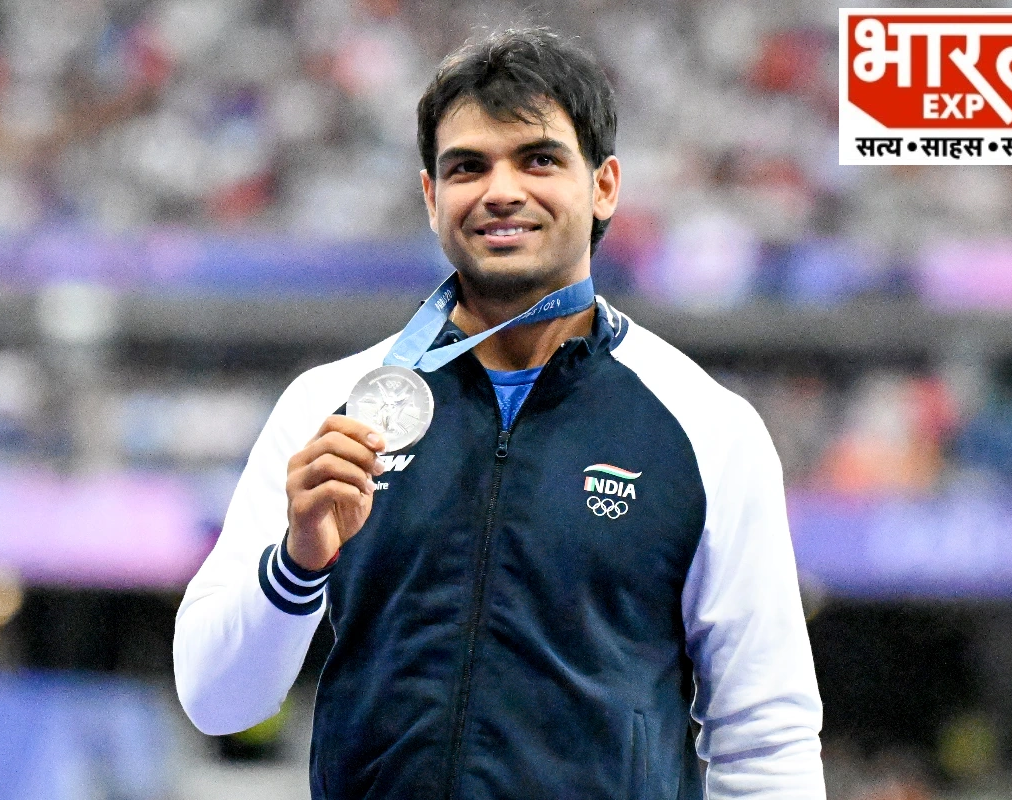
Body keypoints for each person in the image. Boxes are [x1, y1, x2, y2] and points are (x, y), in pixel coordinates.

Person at [174, 26, 825, 799]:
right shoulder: (329, 409)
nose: (501, 189)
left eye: (539, 159)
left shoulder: (709, 430)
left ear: (605, 185)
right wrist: (298, 561)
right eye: (467, 167)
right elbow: (218, 702)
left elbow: (766, 741)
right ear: (431, 197)